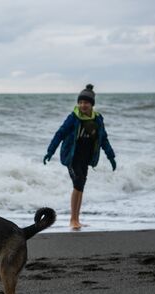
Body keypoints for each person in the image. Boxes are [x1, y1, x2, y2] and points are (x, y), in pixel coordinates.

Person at [43, 84, 116, 230]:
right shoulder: (73, 118)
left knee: (81, 185)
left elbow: (103, 139)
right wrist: (50, 152)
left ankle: (77, 219)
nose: (83, 105)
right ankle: (72, 220)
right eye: (81, 102)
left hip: (86, 158)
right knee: (78, 183)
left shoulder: (98, 119)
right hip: (72, 157)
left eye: (86, 102)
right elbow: (60, 134)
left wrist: (111, 157)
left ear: (92, 104)